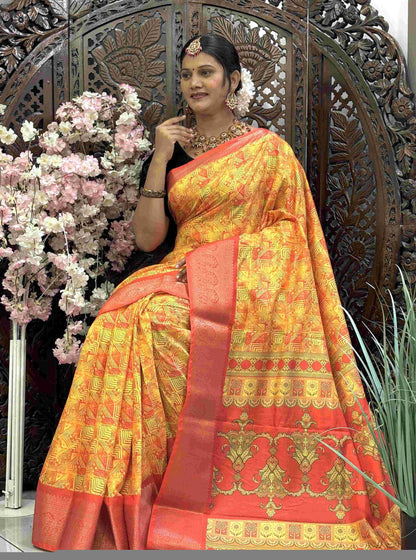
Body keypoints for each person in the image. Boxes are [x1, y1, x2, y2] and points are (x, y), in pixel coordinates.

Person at [32, 33, 400, 550]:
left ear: (232, 82)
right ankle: (130, 500)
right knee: (122, 323)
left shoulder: (268, 151)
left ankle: (194, 490)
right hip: (180, 275)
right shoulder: (171, 149)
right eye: (187, 75)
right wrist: (159, 157)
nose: (195, 83)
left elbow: (289, 232)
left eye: (206, 72)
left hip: (246, 287)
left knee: (155, 323)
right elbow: (148, 239)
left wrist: (216, 267)